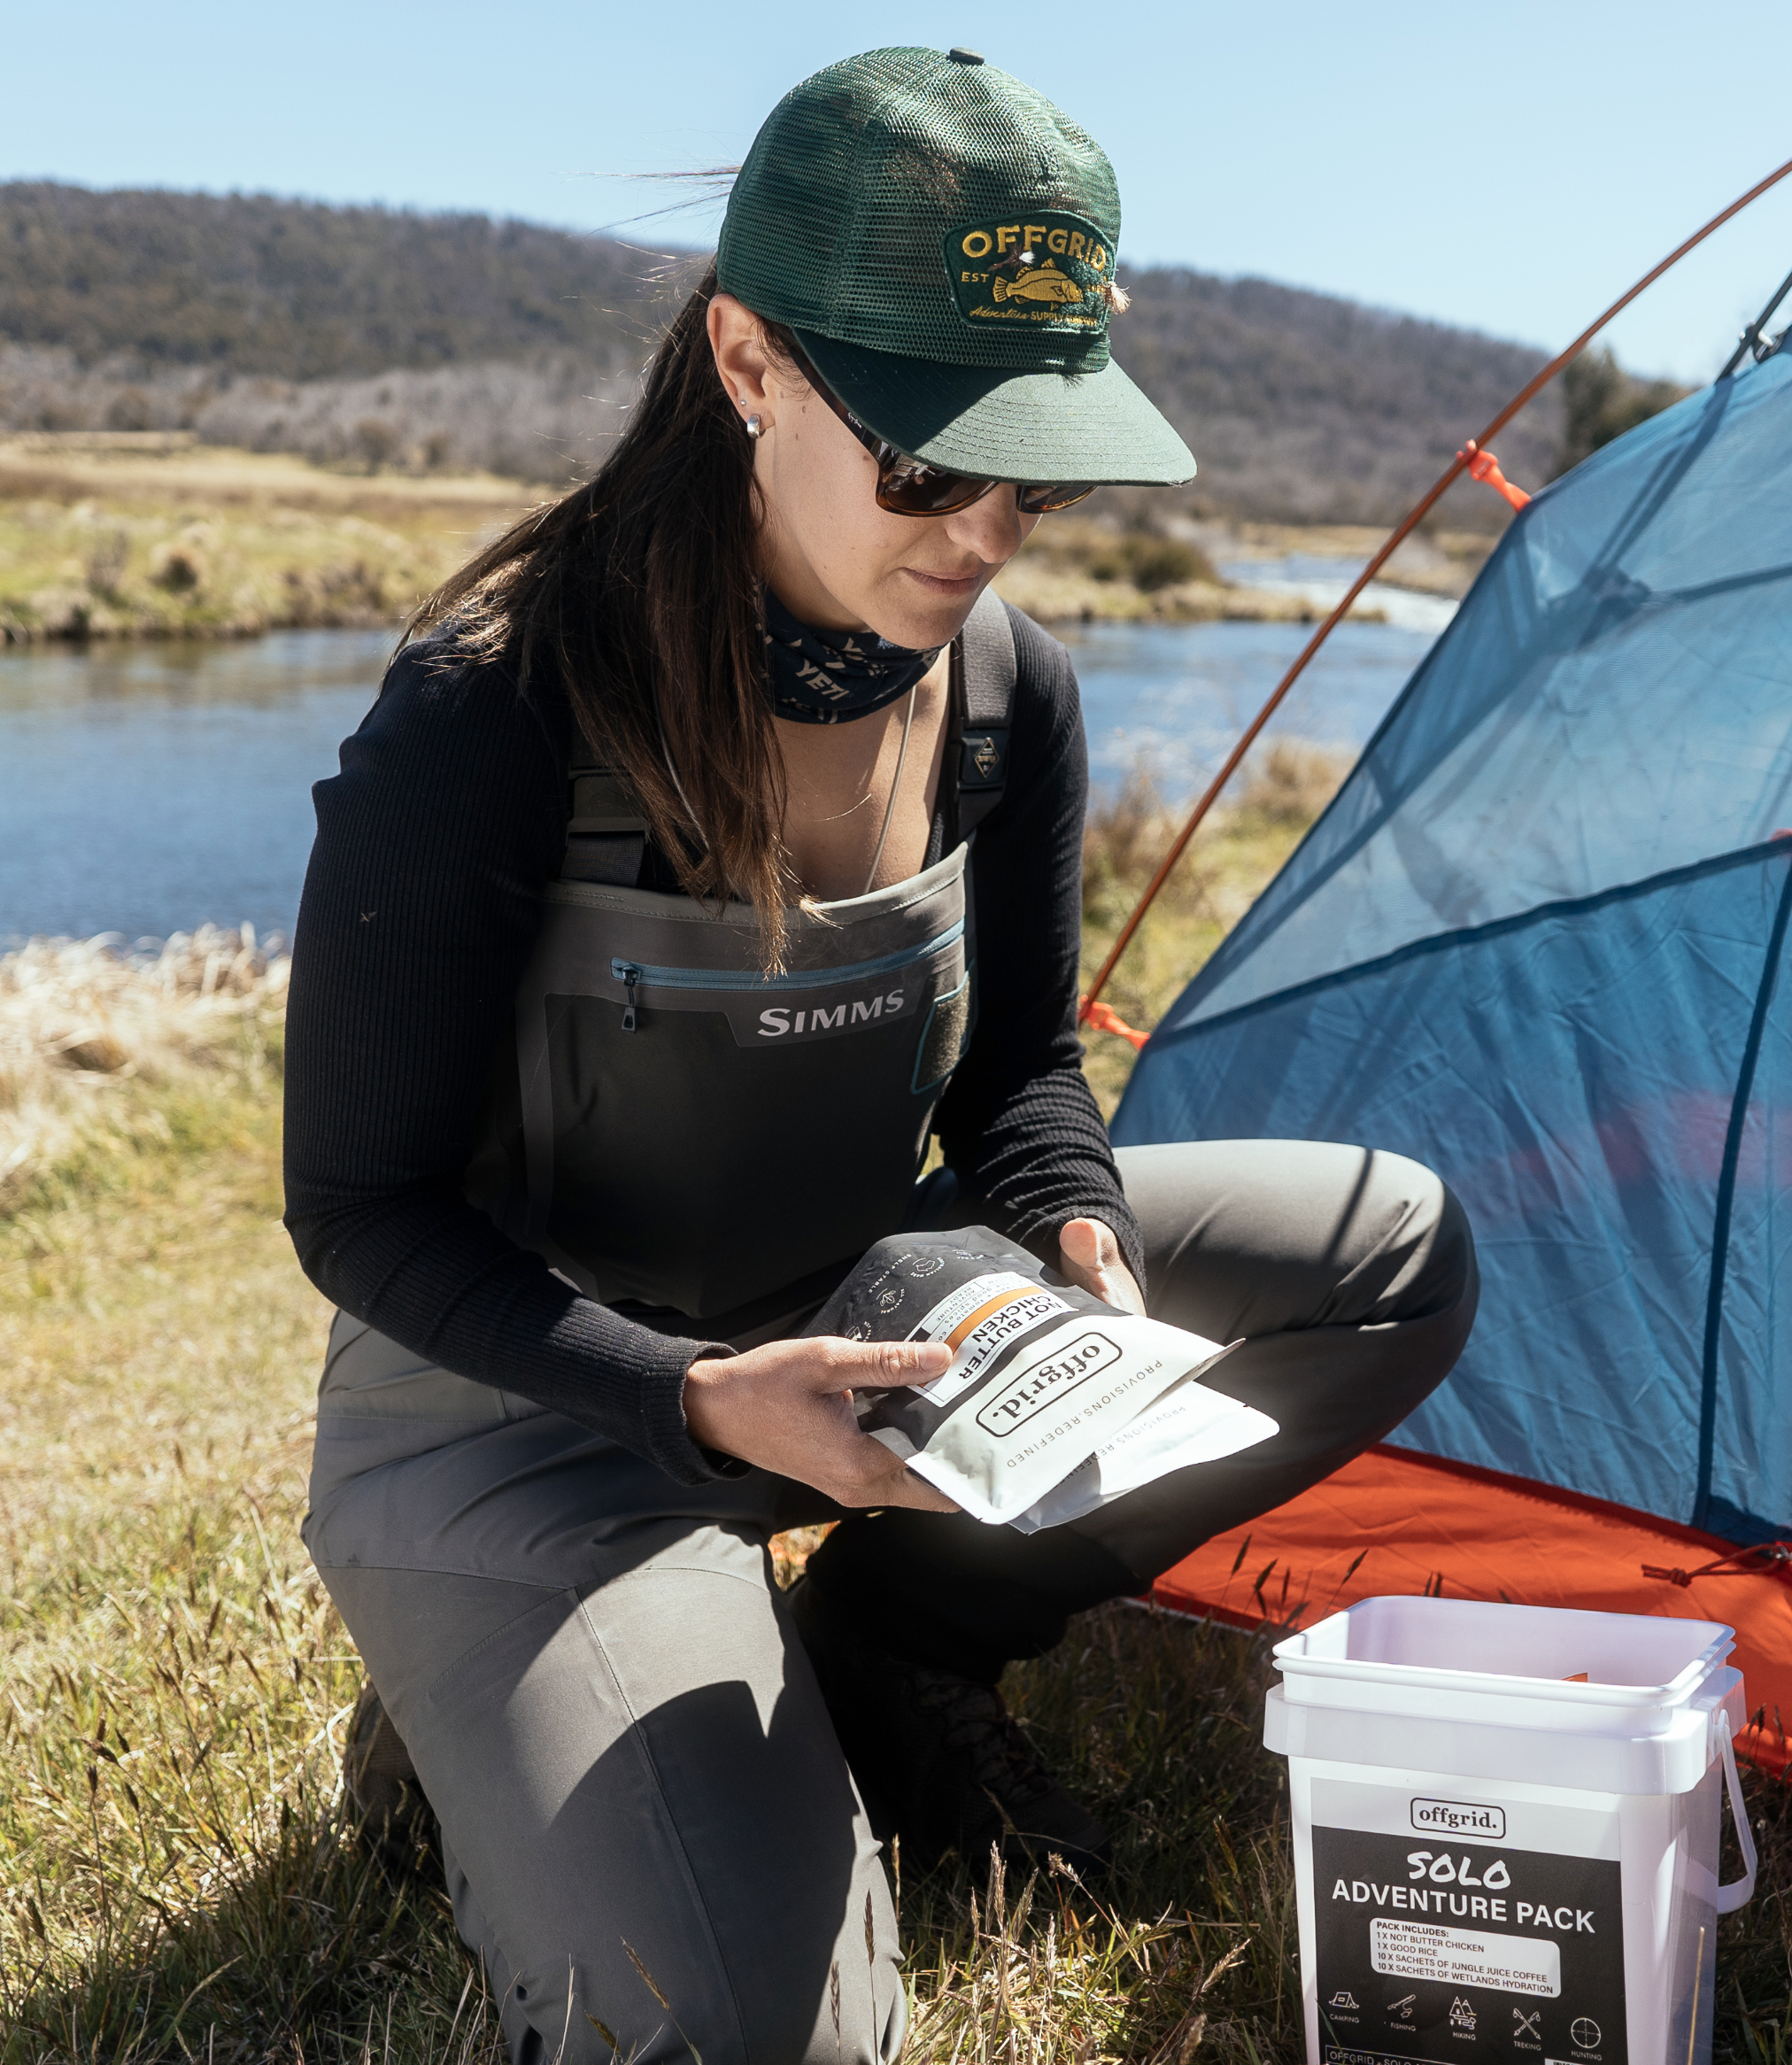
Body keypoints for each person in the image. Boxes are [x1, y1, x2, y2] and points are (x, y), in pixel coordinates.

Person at [283, 44, 1478, 2065]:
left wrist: (1078, 1234)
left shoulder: (1012, 693)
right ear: (746, 360)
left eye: (1039, 475)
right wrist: (693, 1399)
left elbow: (1017, 1075)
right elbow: (358, 1210)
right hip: (533, 1417)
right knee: (748, 2031)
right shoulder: (490, 713)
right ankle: (466, 1707)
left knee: (1387, 1252)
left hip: (863, 1329)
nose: (986, 534)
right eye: (931, 465)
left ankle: (896, 1650)